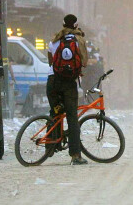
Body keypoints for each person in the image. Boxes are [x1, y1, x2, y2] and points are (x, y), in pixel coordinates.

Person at [46, 14, 89, 165]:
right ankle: (75, 155)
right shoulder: (79, 40)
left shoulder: (54, 40)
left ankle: (50, 147)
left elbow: (50, 61)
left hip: (53, 82)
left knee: (55, 113)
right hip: (69, 83)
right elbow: (84, 62)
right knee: (72, 118)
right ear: (76, 25)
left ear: (63, 25)